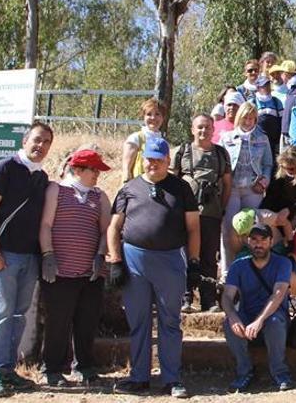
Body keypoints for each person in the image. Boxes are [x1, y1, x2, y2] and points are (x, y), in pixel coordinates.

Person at [107, 138, 200, 397]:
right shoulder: (129, 189)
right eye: (150, 158)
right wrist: (115, 260)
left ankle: (171, 378)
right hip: (134, 259)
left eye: (159, 159)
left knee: (170, 321)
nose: (154, 163)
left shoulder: (182, 188)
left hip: (170, 260)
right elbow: (114, 227)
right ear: (142, 159)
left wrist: (193, 262)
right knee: (139, 321)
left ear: (168, 161)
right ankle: (139, 376)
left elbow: (193, 228)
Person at [38, 149, 111, 387]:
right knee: (57, 321)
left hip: (90, 272)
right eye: (93, 170)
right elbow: (46, 224)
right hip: (59, 270)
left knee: (86, 321)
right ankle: (51, 368)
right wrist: (48, 254)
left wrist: (101, 254)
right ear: (78, 169)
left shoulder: (100, 196)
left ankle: (84, 366)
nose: (97, 175)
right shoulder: (56, 190)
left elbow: (105, 230)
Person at [0, 122, 54, 397]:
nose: (40, 146)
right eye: (36, 140)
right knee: (1, 314)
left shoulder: (42, 177)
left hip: (30, 257)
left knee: (18, 316)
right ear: (25, 140)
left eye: (45, 143)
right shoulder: (5, 168)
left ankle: (7, 370)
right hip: (5, 255)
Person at [171, 114, 233, 313]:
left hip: (211, 213)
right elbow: (173, 180)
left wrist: (221, 208)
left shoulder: (221, 154)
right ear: (192, 129)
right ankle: (184, 297)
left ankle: (209, 299)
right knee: (184, 255)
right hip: (185, 213)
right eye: (199, 127)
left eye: (207, 127)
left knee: (208, 256)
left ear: (213, 130)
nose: (203, 131)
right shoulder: (183, 151)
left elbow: (227, 184)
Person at [222, 224, 293, 392]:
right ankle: (244, 371)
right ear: (248, 241)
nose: (258, 244)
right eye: (254, 239)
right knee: (228, 323)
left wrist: (259, 320)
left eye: (263, 240)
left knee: (274, 321)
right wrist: (233, 316)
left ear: (271, 241)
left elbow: (278, 294)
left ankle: (280, 372)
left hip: (276, 315)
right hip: (247, 314)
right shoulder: (238, 265)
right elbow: (226, 296)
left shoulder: (283, 263)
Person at [220, 102, 272, 275]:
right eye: (245, 118)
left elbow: (268, 164)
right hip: (232, 188)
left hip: (252, 189)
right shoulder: (226, 137)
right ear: (238, 118)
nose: (248, 121)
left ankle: (250, 269)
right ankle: (227, 271)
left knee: (251, 229)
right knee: (229, 229)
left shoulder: (262, 138)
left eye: (252, 118)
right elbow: (221, 163)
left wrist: (263, 182)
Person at [122, 98, 166, 183]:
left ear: (163, 117)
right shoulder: (136, 138)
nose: (153, 118)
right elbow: (126, 169)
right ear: (143, 117)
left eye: (157, 114)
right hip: (138, 186)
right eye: (149, 114)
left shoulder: (164, 142)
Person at [252, 77, 284, 166]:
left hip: (274, 144)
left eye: (268, 85)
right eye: (263, 86)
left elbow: (282, 121)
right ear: (258, 88)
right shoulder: (253, 102)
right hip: (258, 143)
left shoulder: (277, 102)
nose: (267, 87)